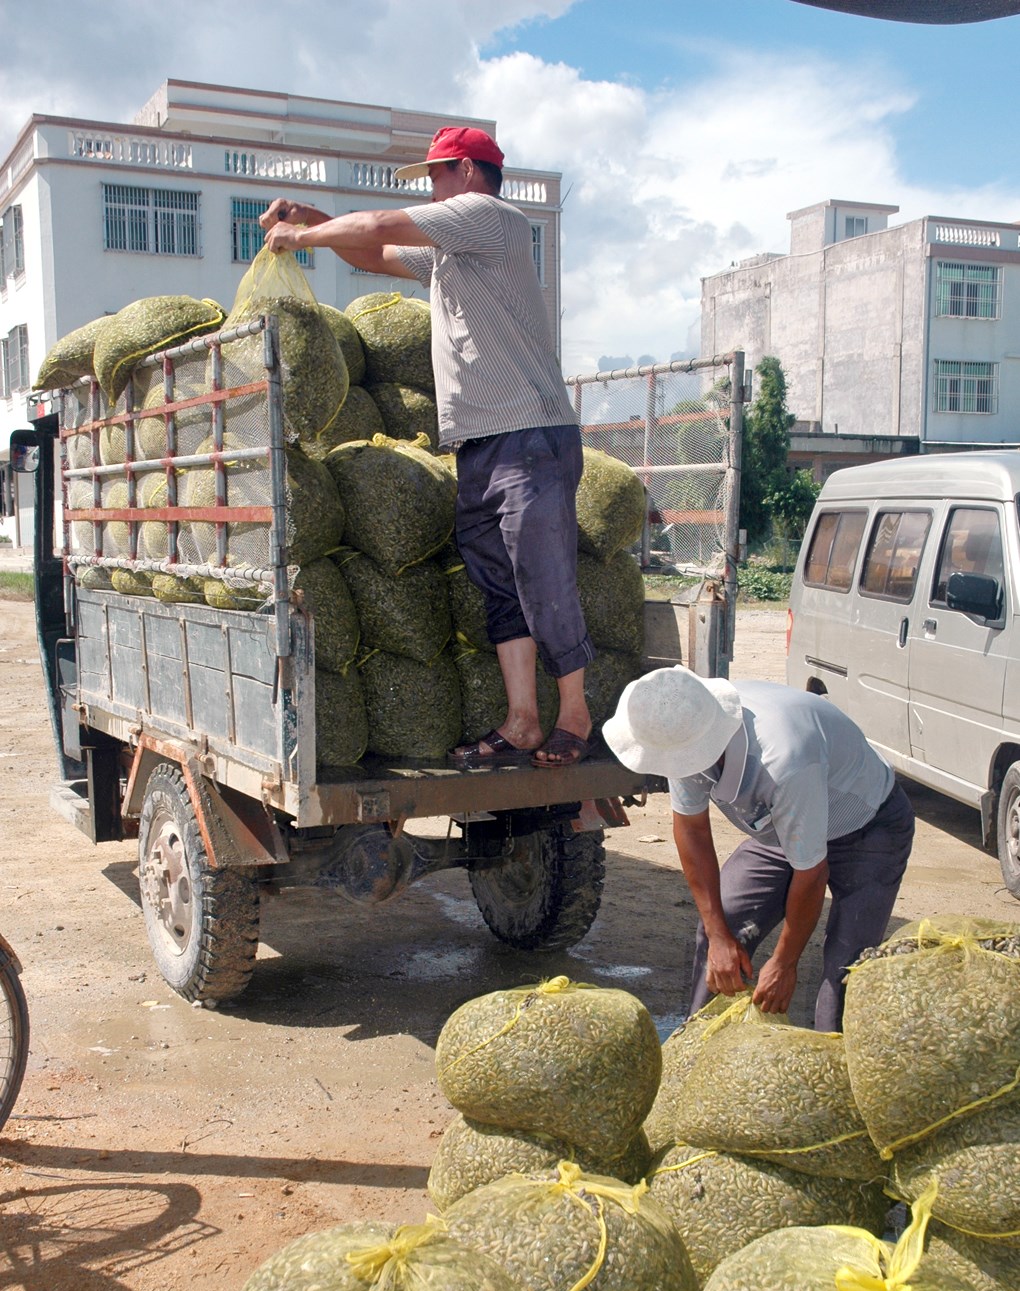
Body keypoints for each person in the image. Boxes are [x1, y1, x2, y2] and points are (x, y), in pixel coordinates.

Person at [260, 124, 594, 768]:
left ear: (467, 172)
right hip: (479, 441)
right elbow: (374, 253)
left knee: (543, 575)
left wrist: (301, 237)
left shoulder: (488, 216)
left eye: (436, 176)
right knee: (500, 583)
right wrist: (315, 219)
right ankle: (523, 720)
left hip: (529, 434)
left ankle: (573, 715)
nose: (432, 190)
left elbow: (384, 221)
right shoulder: (451, 251)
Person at [602, 666, 915, 1031]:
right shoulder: (680, 729)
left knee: (846, 969)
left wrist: (785, 962)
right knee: (722, 928)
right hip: (781, 830)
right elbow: (691, 831)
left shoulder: (782, 759)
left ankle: (836, 1070)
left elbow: (811, 874)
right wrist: (719, 936)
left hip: (867, 826)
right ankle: (698, 1050)